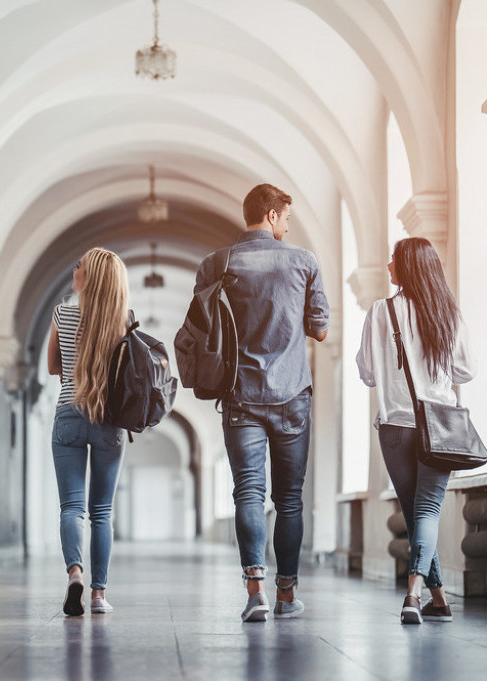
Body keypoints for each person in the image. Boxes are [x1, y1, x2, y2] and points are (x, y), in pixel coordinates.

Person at [192, 183, 330, 622]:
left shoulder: (216, 264)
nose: (288, 225)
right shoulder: (304, 261)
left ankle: (256, 593)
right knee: (289, 500)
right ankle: (287, 595)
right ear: (271, 215)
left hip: (240, 396)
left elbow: (201, 328)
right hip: (292, 397)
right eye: (286, 217)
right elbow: (321, 328)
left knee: (247, 493)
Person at [356, 237, 475, 624]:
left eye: (394, 259)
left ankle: (423, 596)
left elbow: (368, 374)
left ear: (408, 267)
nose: (388, 265)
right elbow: (466, 371)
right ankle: (424, 596)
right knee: (423, 512)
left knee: (415, 513)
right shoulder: (447, 313)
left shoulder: (380, 312)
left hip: (395, 427)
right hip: (439, 426)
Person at [47, 247, 129, 616]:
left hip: (68, 413)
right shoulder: (123, 320)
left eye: (78, 265)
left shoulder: (61, 313)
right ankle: (98, 595)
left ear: (89, 277)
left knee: (71, 508)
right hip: (109, 420)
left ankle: (74, 574)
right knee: (102, 512)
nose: (73, 268)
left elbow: (53, 368)